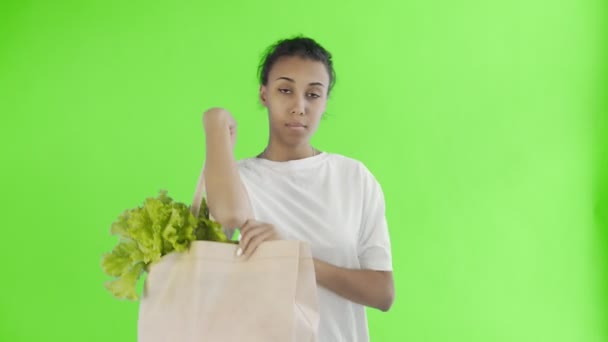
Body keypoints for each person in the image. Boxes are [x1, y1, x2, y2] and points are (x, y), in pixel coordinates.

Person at [201, 35, 394, 342]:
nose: (298, 107)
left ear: (326, 100)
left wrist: (297, 259)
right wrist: (215, 128)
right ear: (265, 94)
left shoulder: (353, 177)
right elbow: (200, 269)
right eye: (286, 90)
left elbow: (383, 293)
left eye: (313, 94)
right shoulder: (236, 179)